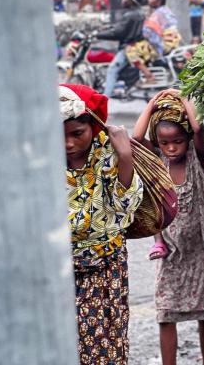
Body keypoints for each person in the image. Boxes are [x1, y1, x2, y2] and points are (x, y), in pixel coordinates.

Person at [132, 90, 204, 365]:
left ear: (188, 141)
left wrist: (183, 100)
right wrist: (152, 103)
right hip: (170, 252)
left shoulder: (198, 157)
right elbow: (134, 139)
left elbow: (198, 128)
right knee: (165, 314)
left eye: (177, 141)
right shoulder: (157, 163)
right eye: (164, 142)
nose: (171, 148)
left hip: (203, 249)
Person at [60, 83, 144, 365]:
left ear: (92, 128)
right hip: (56, 268)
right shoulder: (39, 158)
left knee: (102, 346)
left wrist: (125, 157)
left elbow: (124, 210)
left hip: (104, 265)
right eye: (58, 135)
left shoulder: (106, 153)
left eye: (77, 134)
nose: (68, 144)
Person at [126, 0, 183, 84]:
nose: (149, 0)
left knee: (131, 50)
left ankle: (149, 76)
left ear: (158, 1)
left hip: (164, 45)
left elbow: (148, 33)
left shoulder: (156, 14)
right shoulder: (167, 10)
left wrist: (157, 48)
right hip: (172, 42)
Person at [98, 0, 146, 97]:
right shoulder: (137, 13)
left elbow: (118, 32)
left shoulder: (130, 15)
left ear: (132, 1)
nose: (123, 0)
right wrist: (107, 27)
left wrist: (98, 35)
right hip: (134, 45)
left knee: (112, 69)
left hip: (128, 47)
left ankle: (104, 99)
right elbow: (120, 27)